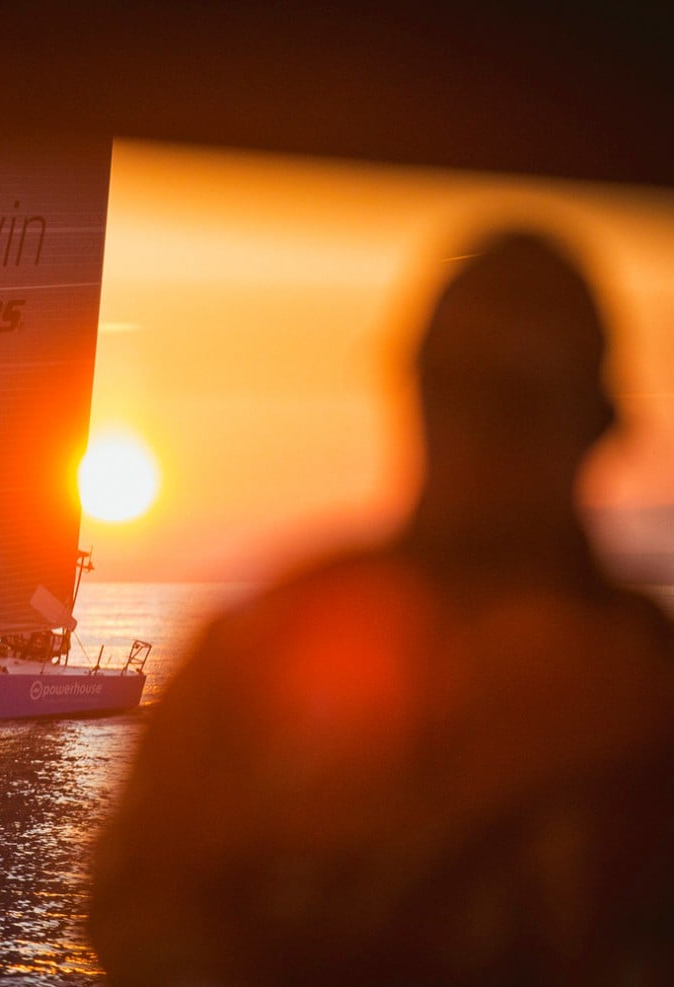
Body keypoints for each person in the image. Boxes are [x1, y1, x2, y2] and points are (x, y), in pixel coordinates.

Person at [88, 229, 674, 986]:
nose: (478, 427)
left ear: (594, 420)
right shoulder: (262, 648)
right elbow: (135, 907)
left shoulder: (650, 695)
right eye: (455, 384)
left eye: (515, 397)